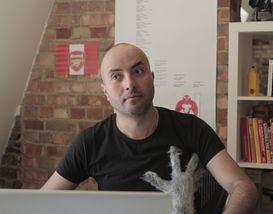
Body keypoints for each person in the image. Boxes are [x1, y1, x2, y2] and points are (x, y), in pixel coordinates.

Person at [42, 43, 258, 213]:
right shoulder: (90, 142)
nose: (129, 84)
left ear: (152, 78)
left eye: (138, 71)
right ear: (105, 91)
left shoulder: (191, 128)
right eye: (117, 76)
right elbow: (42, 202)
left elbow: (243, 187)